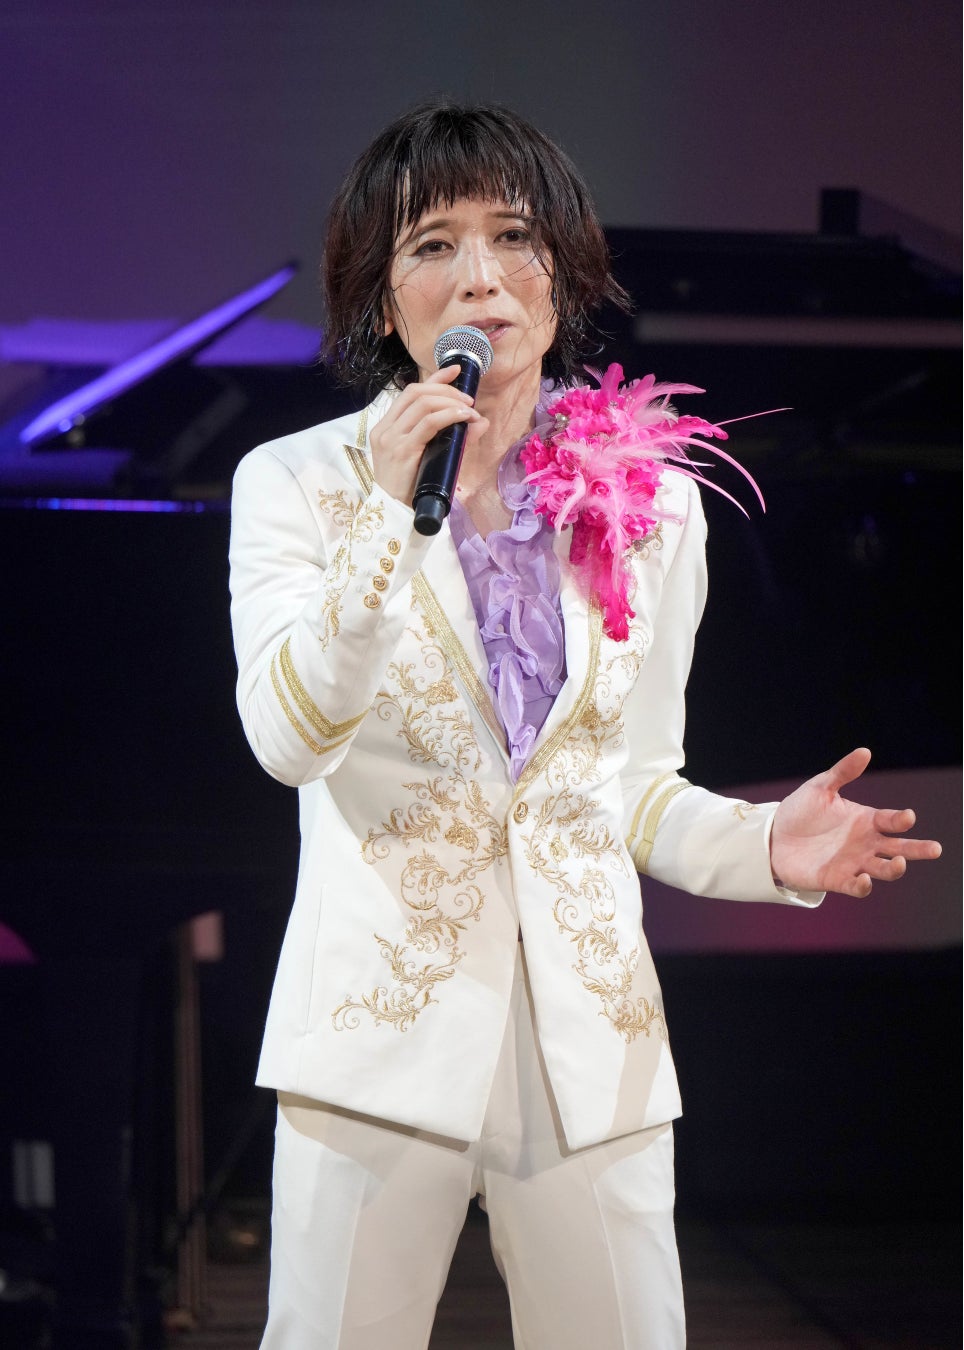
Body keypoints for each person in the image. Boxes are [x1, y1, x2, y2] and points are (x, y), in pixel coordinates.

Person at [227, 100, 942, 1350]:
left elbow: (631, 785)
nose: (482, 277)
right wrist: (386, 525)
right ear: (381, 298)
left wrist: (762, 847)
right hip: (375, 1040)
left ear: (562, 270)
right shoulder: (296, 482)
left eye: (514, 236)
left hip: (590, 1049)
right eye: (433, 245)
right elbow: (291, 742)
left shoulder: (655, 500)